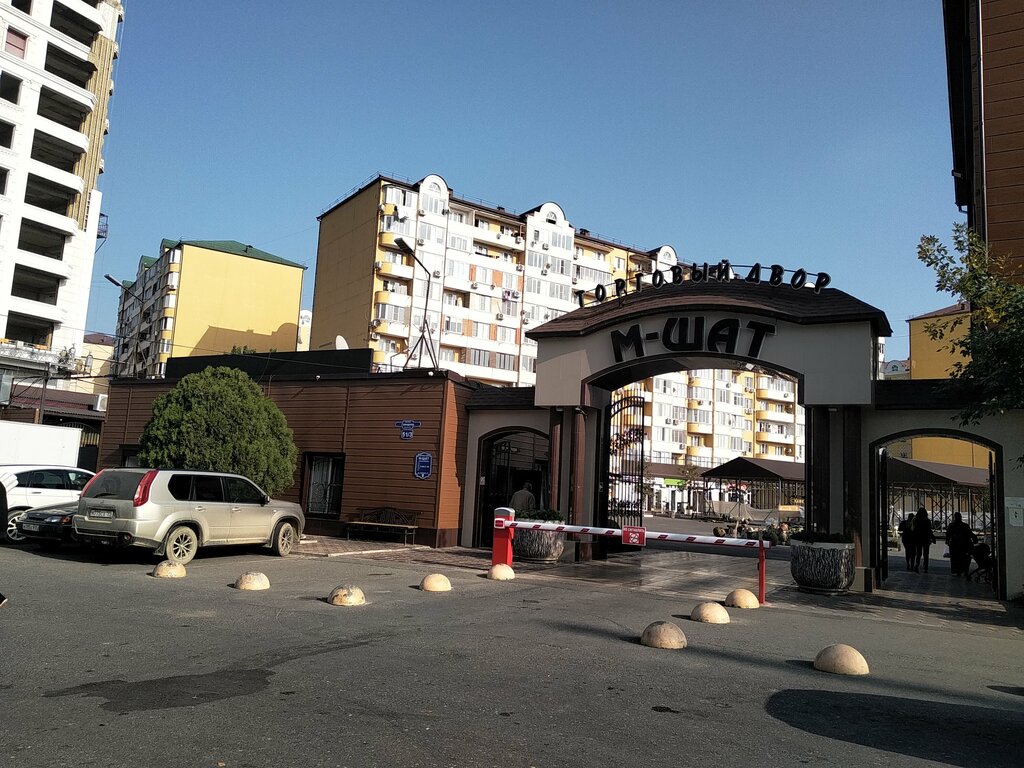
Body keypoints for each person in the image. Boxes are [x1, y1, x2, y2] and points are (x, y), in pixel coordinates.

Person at [946, 511, 977, 579]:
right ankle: (965, 571)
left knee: (955, 559)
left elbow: (948, 535)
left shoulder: (951, 525)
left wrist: (947, 541)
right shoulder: (965, 525)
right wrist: (975, 540)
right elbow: (970, 534)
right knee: (965, 559)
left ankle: (957, 571)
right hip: (964, 545)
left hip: (955, 545)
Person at [912, 507, 936, 573]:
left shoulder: (915, 520)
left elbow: (913, 529)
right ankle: (925, 567)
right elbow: (929, 530)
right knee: (926, 554)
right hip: (926, 538)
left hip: (918, 538)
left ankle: (917, 565)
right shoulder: (927, 521)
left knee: (918, 553)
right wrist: (932, 537)